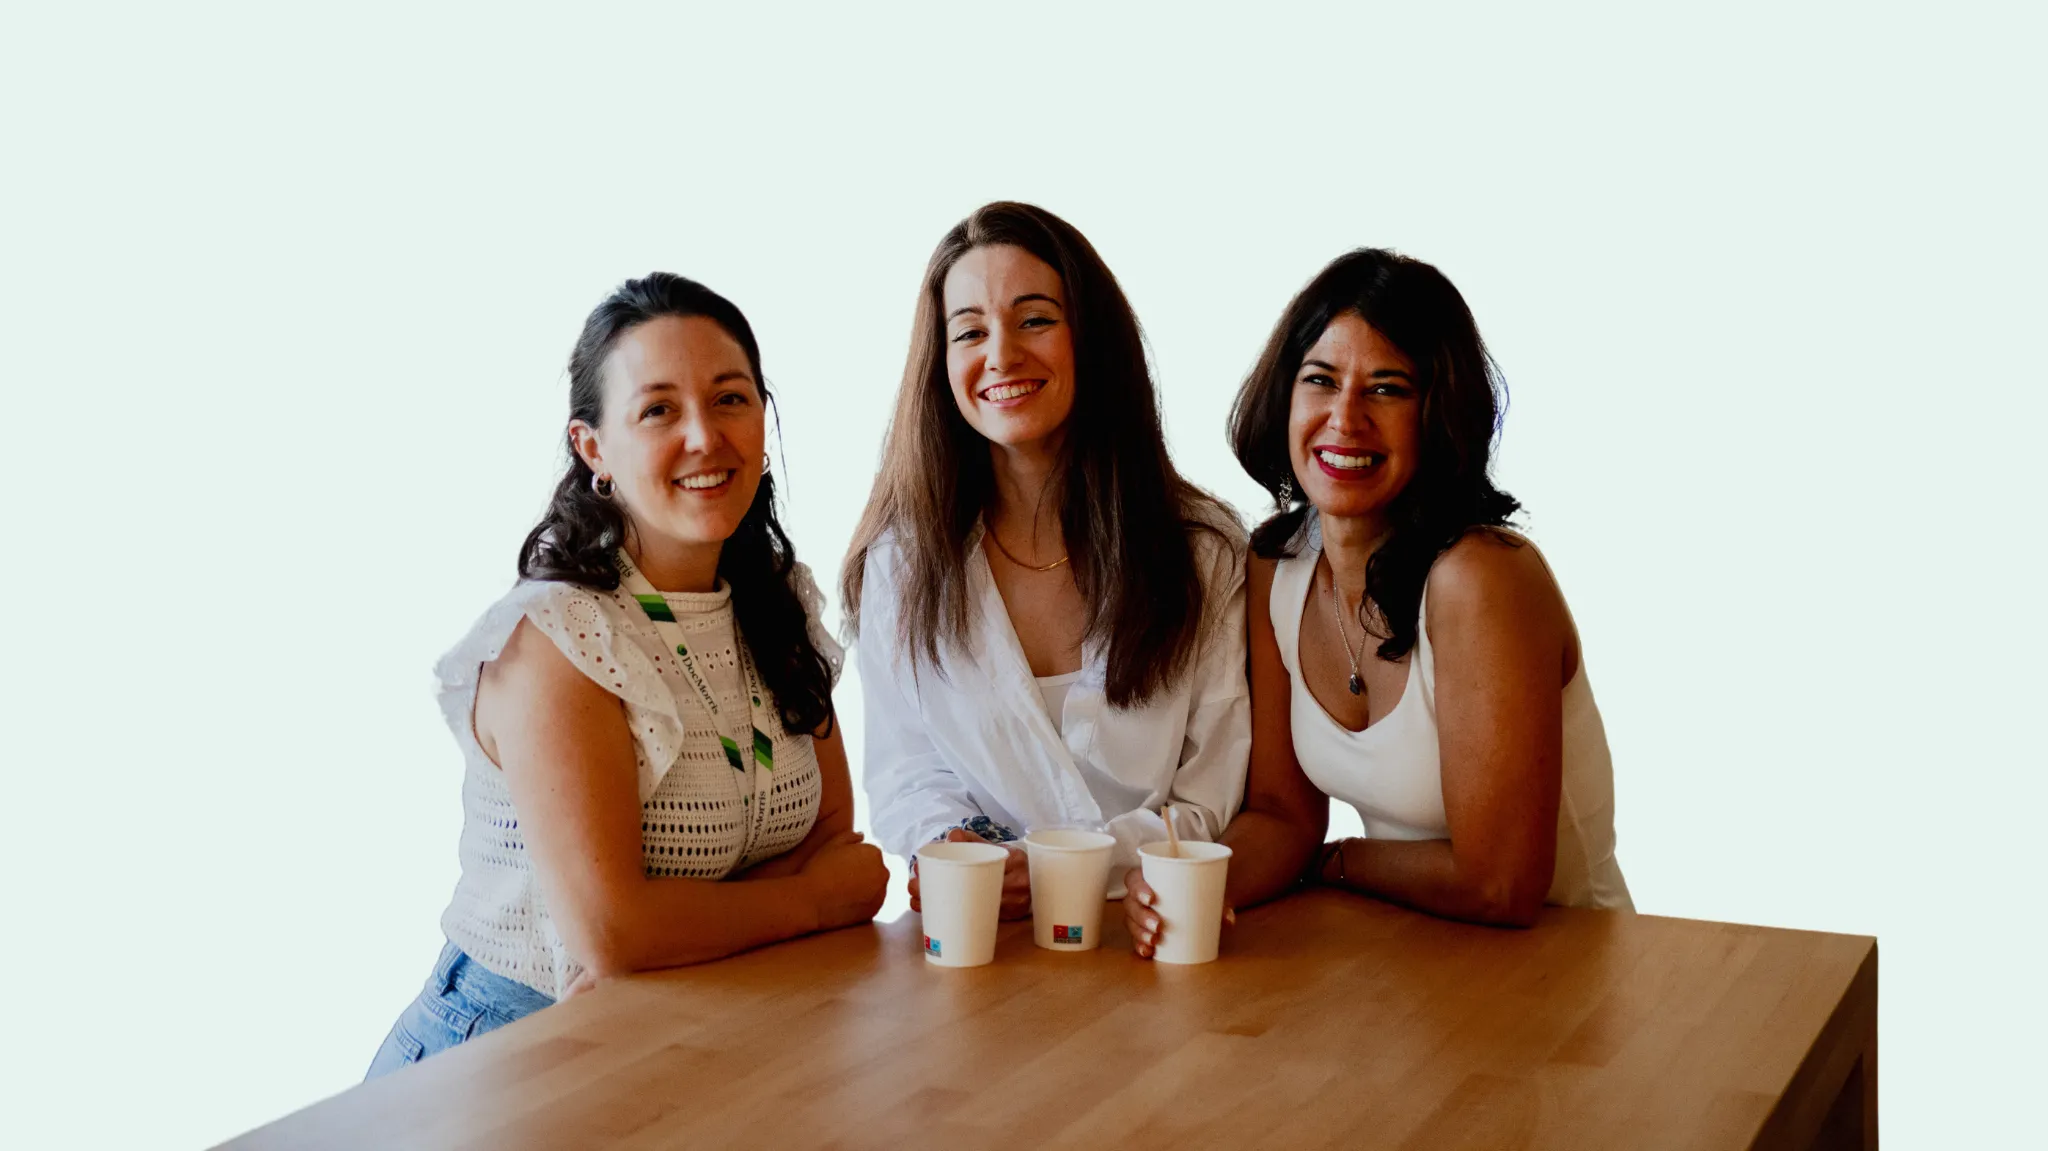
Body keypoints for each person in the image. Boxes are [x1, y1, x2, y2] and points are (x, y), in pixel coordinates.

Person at [366, 274, 888, 1078]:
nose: (705, 437)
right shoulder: (556, 636)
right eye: (658, 410)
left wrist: (678, 928)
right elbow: (613, 932)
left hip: (695, 1016)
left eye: (730, 399)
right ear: (593, 448)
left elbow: (833, 840)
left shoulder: (777, 600)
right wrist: (808, 901)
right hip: (507, 1048)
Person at [1126, 249, 1631, 956]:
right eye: (1320, 380)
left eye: (1387, 389)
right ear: (1286, 397)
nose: (1345, 417)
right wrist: (1197, 885)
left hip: (1569, 966)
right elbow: (1281, 815)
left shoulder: (1482, 577)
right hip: (1408, 956)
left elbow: (1501, 885)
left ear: (1438, 412)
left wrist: (1337, 862)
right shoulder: (1278, 563)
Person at [844, 201, 1250, 918]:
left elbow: (1213, 793)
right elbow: (907, 774)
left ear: (1091, 337)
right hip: (980, 945)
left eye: (1034, 319)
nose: (1001, 354)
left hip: (1154, 932)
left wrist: (1064, 867)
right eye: (969, 331)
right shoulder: (903, 562)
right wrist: (955, 845)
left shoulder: (1204, 549)